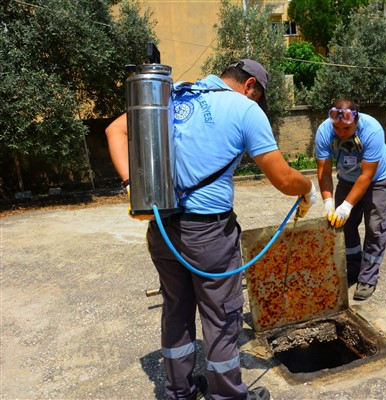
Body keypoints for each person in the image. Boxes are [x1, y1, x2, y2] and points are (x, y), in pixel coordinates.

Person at [105, 59, 317, 400]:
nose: (255, 103)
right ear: (250, 86)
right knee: (220, 317)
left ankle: (180, 392)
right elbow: (281, 177)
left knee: (176, 311)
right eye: (257, 96)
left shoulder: (175, 93)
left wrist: (133, 185)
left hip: (162, 227)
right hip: (209, 236)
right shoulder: (245, 110)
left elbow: (114, 130)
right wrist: (305, 188)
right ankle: (228, 396)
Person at [314, 99, 386, 301]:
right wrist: (329, 202)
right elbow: (323, 171)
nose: (341, 132)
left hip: (377, 180)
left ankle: (368, 278)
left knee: (375, 227)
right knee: (343, 226)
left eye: (346, 128)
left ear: (356, 120)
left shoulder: (372, 130)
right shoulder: (324, 131)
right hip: (347, 179)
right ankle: (353, 268)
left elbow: (366, 176)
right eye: (337, 127)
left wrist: (346, 206)